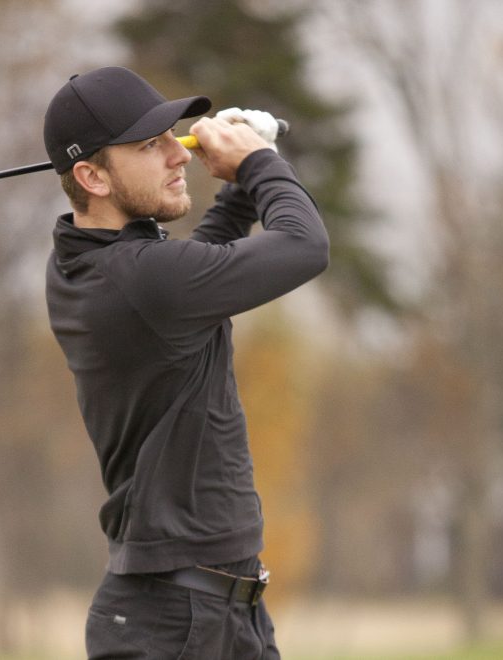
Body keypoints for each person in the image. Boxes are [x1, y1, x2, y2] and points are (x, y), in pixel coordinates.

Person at [43, 66, 329, 659]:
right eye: (151, 145)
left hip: (211, 612)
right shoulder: (140, 278)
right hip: (179, 623)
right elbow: (305, 245)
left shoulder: (89, 261)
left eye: (174, 134)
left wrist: (237, 190)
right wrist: (256, 164)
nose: (179, 154)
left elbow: (199, 268)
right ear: (91, 176)